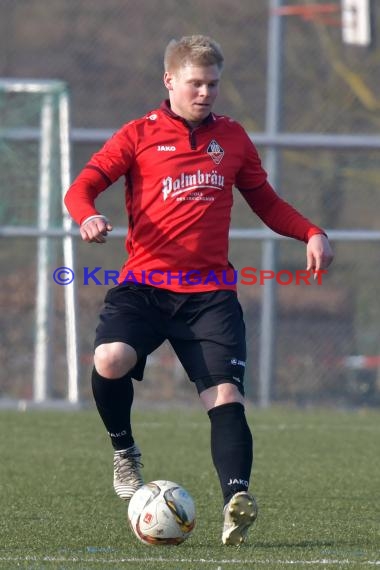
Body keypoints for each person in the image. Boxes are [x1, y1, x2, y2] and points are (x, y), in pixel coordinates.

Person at [64, 34, 333, 545]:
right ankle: (124, 452)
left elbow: (267, 202)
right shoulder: (138, 134)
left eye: (213, 84)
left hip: (210, 295)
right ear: (169, 81)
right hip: (144, 286)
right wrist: (88, 214)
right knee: (109, 360)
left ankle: (237, 499)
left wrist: (311, 231)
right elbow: (81, 186)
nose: (206, 93)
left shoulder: (232, 138)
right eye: (195, 84)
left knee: (225, 395)